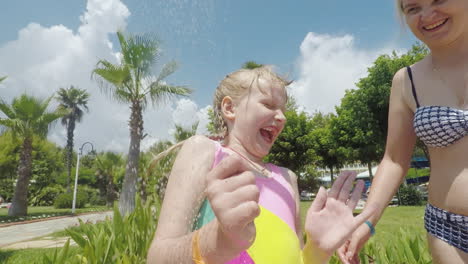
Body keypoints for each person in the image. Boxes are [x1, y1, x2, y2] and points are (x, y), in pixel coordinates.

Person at [147, 66, 375, 263]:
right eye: (268, 104)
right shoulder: (206, 151)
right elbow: (157, 257)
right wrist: (217, 240)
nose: (282, 117)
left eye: (284, 110)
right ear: (230, 108)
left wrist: (318, 250)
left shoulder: (287, 178)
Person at [338, 1, 468, 263]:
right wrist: (366, 223)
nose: (428, 15)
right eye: (413, 8)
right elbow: (395, 160)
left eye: (439, 0)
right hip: (447, 231)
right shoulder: (407, 81)